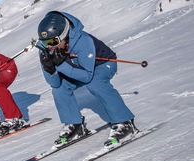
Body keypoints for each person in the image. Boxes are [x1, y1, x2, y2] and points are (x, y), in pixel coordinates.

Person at [37, 11, 137, 147]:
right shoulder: (45, 49)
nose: (50, 46)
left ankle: (124, 122)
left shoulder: (82, 40)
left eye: (53, 41)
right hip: (76, 69)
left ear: (64, 34)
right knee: (59, 89)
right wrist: (50, 69)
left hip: (102, 64)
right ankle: (75, 124)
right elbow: (54, 83)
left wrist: (60, 64)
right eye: (45, 42)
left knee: (95, 83)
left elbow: (87, 76)